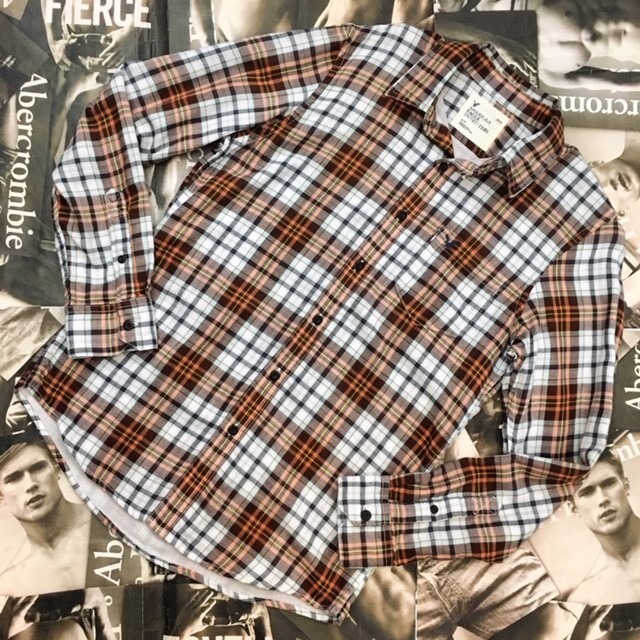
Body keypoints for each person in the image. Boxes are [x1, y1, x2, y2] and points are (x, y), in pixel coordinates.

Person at [0, 435, 93, 597]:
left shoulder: (109, 524)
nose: (30, 485)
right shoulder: (11, 583)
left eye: (38, 468)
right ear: (1, 496)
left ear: (57, 469)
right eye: (14, 478)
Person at [564, 448, 640, 604]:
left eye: (609, 483)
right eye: (587, 492)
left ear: (626, 486)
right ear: (574, 508)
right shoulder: (585, 598)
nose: (602, 499)